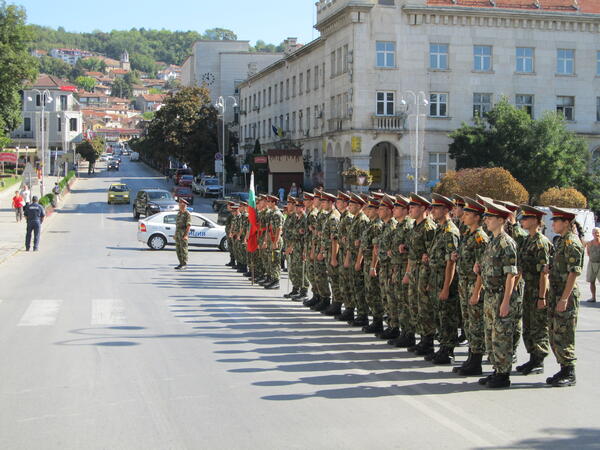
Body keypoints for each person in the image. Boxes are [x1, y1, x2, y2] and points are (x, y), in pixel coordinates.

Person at [478, 200, 518, 389]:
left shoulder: (506, 243)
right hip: (490, 295)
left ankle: (503, 375)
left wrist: (506, 301)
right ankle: (496, 369)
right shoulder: (492, 241)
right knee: (491, 335)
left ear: (501, 220)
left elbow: (511, 274)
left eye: (490, 217)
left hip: (501, 295)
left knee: (502, 336)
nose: (486, 220)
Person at [546, 207, 584, 387]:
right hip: (556, 293)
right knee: (554, 334)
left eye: (556, 221)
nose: (553, 224)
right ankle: (563, 369)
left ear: (567, 223)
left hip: (565, 295)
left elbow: (573, 273)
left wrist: (564, 299)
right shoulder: (562, 241)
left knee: (564, 334)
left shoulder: (572, 243)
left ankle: (569, 372)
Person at [516, 205, 552, 375]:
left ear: (536, 221)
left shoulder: (541, 242)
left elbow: (544, 273)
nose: (522, 221)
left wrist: (542, 297)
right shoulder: (527, 240)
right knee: (528, 326)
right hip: (528, 290)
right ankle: (532, 358)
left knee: (538, 327)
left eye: (526, 218)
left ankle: (538, 360)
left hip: (537, 290)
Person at [174, 198, 191, 270]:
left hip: (183, 234)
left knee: (183, 249)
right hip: (178, 234)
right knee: (178, 249)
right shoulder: (179, 213)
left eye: (180, 204)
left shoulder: (187, 214)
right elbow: (177, 225)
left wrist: (186, 235)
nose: (179, 205)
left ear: (184, 205)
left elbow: (188, 225)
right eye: (179, 204)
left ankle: (184, 263)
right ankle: (180, 263)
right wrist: (175, 234)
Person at [586, 228, 600, 302]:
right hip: (591, 263)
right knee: (592, 281)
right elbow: (588, 253)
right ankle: (593, 297)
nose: (596, 234)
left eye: (597, 233)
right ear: (592, 234)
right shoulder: (589, 243)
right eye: (594, 233)